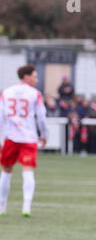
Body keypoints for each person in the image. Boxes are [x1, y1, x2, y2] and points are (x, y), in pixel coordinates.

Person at [0, 64, 48, 217]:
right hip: (28, 137)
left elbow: (1, 115)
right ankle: (26, 206)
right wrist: (44, 134)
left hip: (10, 136)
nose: (36, 79)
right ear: (26, 76)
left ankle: (2, 207)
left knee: (6, 171)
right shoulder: (35, 94)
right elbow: (41, 116)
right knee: (28, 170)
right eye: (34, 76)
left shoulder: (6, 92)